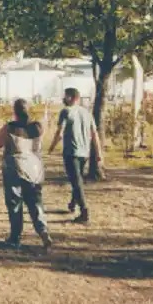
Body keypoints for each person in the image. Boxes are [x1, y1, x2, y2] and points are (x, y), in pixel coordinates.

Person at [0, 99, 52, 251]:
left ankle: (15, 237)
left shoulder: (10, 127)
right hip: (35, 170)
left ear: (15, 111)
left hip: (15, 169)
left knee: (15, 204)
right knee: (35, 203)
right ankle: (43, 232)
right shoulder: (38, 127)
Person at [48, 88, 103, 223]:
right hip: (85, 152)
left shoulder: (66, 111)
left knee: (76, 181)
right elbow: (94, 134)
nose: (63, 98)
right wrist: (98, 152)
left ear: (72, 97)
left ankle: (84, 211)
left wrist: (51, 147)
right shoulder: (87, 113)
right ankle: (73, 204)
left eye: (65, 96)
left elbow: (60, 133)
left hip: (71, 152)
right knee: (77, 179)